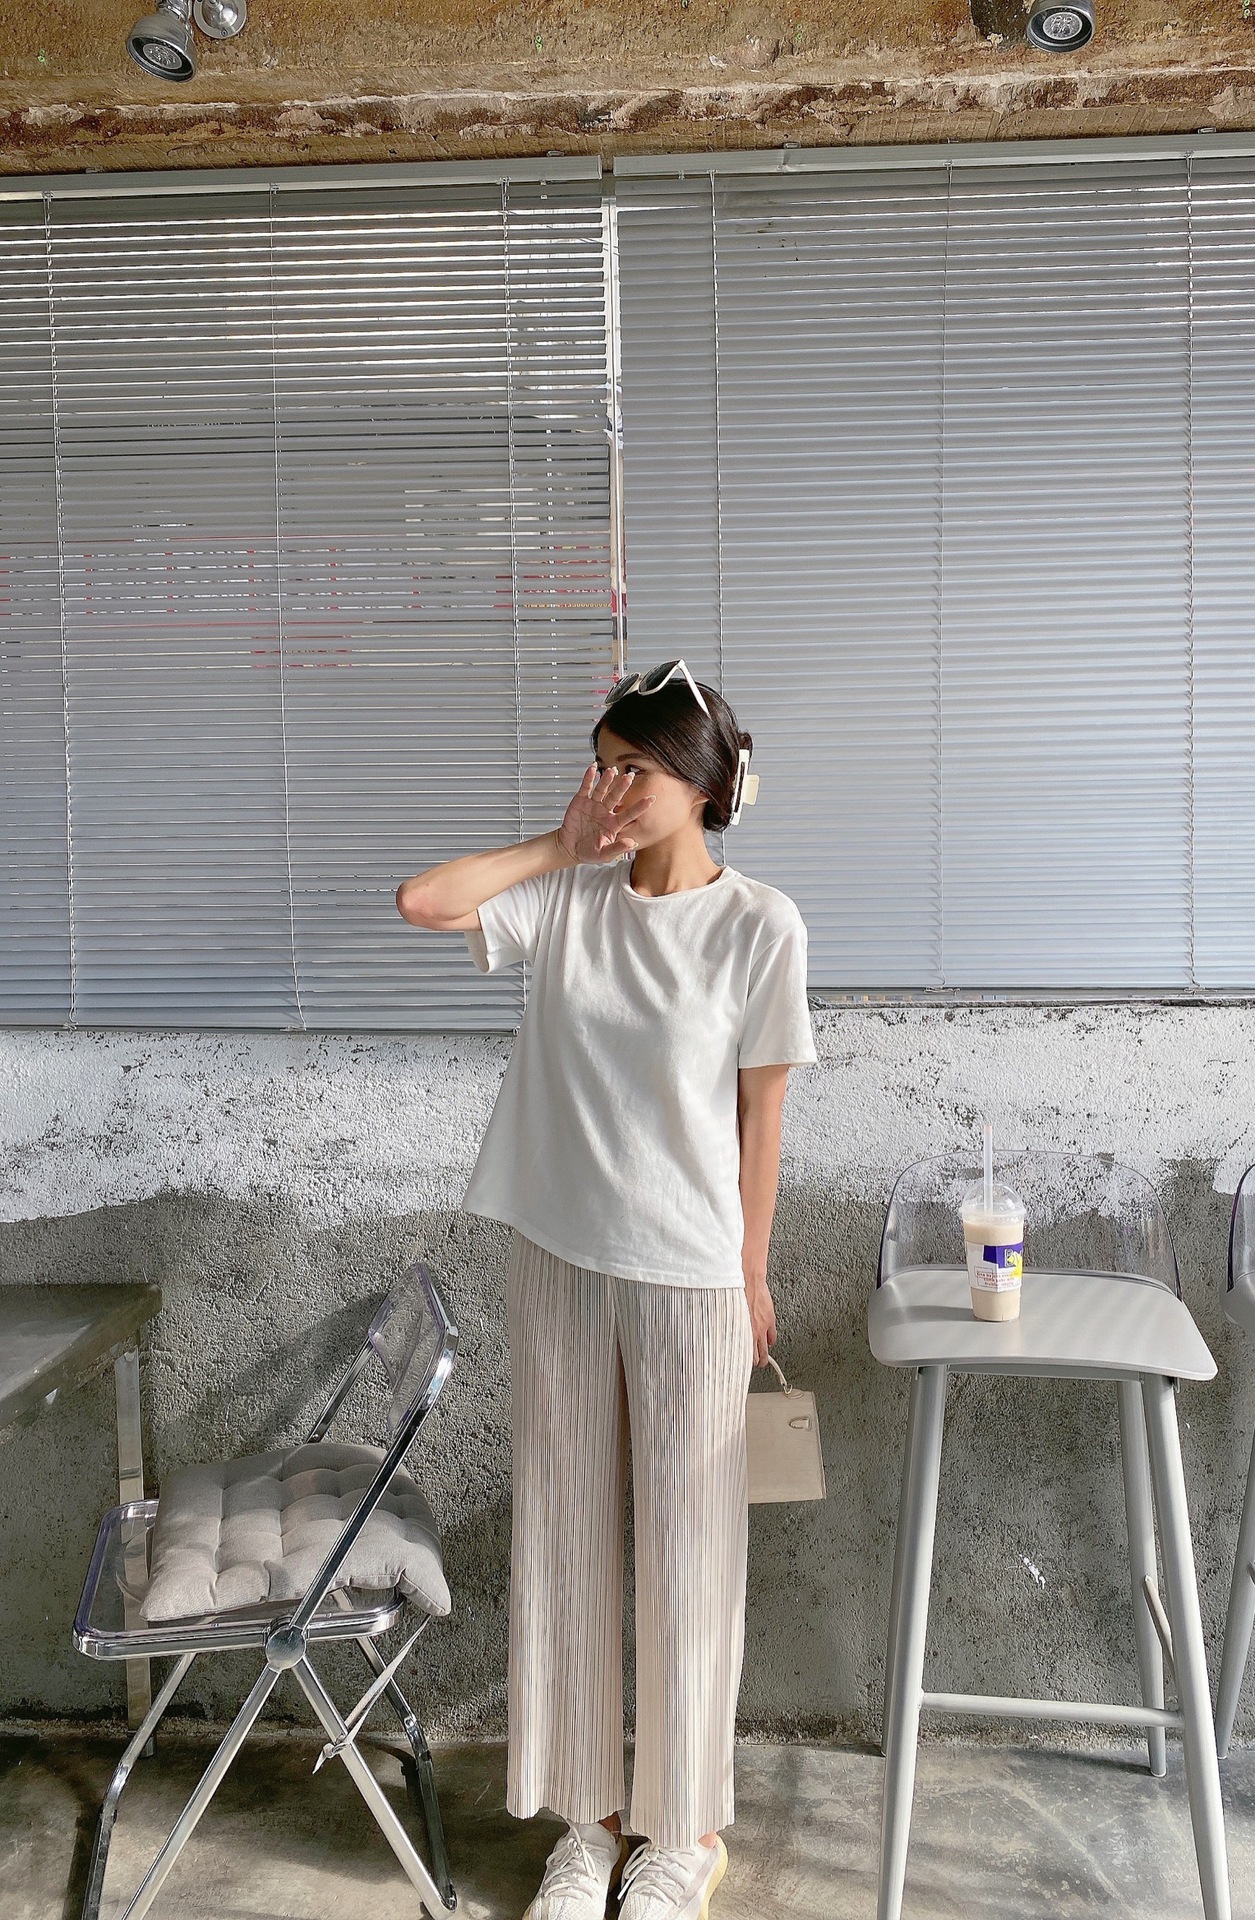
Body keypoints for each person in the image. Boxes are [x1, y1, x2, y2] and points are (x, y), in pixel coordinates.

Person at [396, 660, 816, 1920]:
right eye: (601, 763)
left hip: (690, 1274)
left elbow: (760, 1117)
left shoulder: (760, 926)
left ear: (703, 784)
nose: (611, 787)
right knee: (567, 1543)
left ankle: (681, 1834)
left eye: (635, 768)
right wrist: (556, 843)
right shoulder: (567, 899)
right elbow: (422, 902)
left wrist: (750, 1272)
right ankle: (590, 1821)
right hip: (559, 1259)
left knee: (690, 1561)